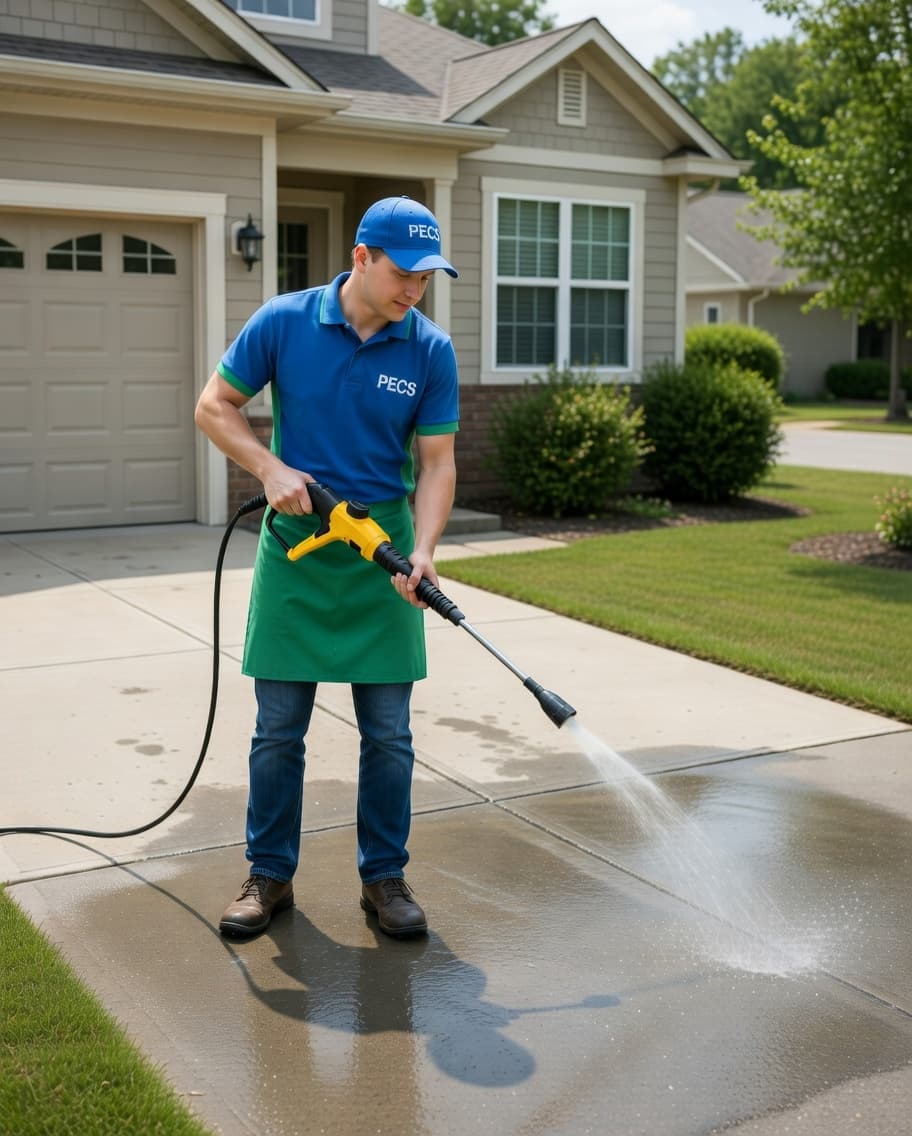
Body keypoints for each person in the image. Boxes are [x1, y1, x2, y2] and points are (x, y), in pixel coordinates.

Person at [194, 196, 459, 940]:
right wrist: (269, 466)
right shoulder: (283, 321)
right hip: (298, 546)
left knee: (390, 734)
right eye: (405, 273)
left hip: (384, 550)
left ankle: (385, 879)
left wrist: (428, 550)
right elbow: (214, 406)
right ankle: (268, 876)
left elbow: (436, 464)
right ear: (362, 259)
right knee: (278, 730)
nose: (415, 290)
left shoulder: (429, 350)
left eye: (427, 278)